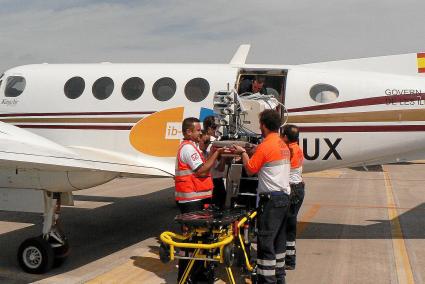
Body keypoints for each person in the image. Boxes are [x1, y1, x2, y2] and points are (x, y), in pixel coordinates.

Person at [233, 110, 291, 284]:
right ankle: (279, 278)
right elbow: (267, 158)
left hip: (271, 201)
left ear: (264, 125)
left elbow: (250, 169)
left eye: (260, 124)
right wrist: (254, 150)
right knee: (279, 242)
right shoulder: (281, 144)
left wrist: (243, 153)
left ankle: (267, 280)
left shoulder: (266, 146)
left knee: (265, 243)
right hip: (284, 198)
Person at [174, 117, 224, 282]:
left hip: (195, 199)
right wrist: (216, 152)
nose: (200, 133)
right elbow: (202, 171)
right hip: (191, 201)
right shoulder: (188, 149)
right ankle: (188, 277)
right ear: (188, 132)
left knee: (197, 240)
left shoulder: (192, 147)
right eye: (197, 130)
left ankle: (196, 276)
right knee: (192, 241)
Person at [282, 124, 304, 270]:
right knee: (290, 224)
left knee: (287, 226)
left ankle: (289, 260)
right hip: (299, 188)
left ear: (286, 137)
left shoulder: (289, 150)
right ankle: (289, 258)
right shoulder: (297, 148)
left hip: (292, 189)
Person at [203, 116, 227, 209]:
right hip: (216, 182)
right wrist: (225, 157)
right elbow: (220, 168)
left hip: (208, 182)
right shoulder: (215, 143)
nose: (218, 130)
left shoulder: (204, 142)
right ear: (209, 129)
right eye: (217, 128)